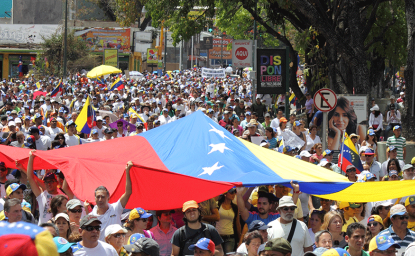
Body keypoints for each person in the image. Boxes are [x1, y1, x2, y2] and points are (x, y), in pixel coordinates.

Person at [90, 161, 133, 241]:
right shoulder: (91, 216)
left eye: (102, 197)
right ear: (95, 199)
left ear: (108, 198)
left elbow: (128, 192)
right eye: (98, 197)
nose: (100, 199)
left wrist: (127, 171)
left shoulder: (116, 208)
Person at [27, 150, 67, 224]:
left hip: (57, 230)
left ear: (57, 183)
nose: (49, 184)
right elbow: (30, 178)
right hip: (42, 231)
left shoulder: (62, 197)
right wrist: (31, 157)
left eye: (51, 181)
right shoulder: (41, 195)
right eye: (46, 182)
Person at [216, 188, 241, 253]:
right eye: (231, 192)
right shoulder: (217, 205)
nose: (234, 194)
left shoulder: (235, 207)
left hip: (230, 237)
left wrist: (240, 239)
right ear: (225, 193)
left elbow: (237, 223)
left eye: (235, 192)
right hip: (217, 237)